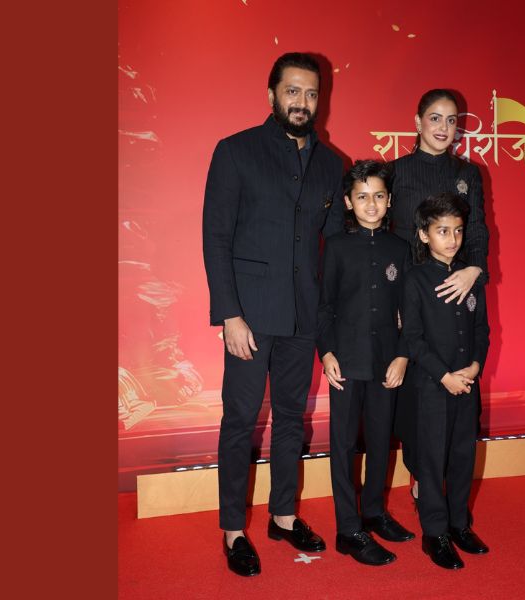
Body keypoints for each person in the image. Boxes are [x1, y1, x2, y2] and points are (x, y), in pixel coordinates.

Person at [202, 52, 344, 577]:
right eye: (292, 91)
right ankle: (233, 529)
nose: (302, 102)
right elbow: (216, 239)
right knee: (240, 421)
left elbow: (333, 251)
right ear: (272, 95)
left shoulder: (332, 165)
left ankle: (283, 516)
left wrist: (332, 323)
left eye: (311, 93)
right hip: (250, 319)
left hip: (303, 318)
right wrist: (230, 315)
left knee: (290, 420)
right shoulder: (235, 151)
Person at [391, 89, 490, 506]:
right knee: (417, 396)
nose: (443, 128)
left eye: (452, 120)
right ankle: (422, 479)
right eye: (435, 118)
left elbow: (478, 227)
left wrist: (474, 269)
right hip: (410, 294)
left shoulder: (468, 173)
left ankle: (446, 493)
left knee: (457, 396)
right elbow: (386, 238)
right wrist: (396, 300)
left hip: (457, 288)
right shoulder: (395, 172)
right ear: (417, 123)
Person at [317, 160, 415, 567]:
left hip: (385, 362)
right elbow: (324, 306)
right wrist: (326, 353)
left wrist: (403, 355)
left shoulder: (400, 249)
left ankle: (373, 512)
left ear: (389, 200)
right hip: (345, 361)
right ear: (348, 202)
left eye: (378, 196)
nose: (371, 204)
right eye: (362, 197)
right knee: (343, 445)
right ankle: (348, 528)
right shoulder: (336, 246)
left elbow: (411, 312)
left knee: (379, 441)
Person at [402, 193, 490, 570]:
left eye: (457, 230)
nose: (452, 239)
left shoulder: (472, 278)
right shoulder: (415, 280)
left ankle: (458, 524)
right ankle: (434, 532)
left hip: (467, 384)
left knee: (462, 457)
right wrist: (443, 376)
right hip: (431, 387)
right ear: (424, 235)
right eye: (442, 231)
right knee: (431, 460)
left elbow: (483, 330)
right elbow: (412, 339)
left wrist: (474, 366)